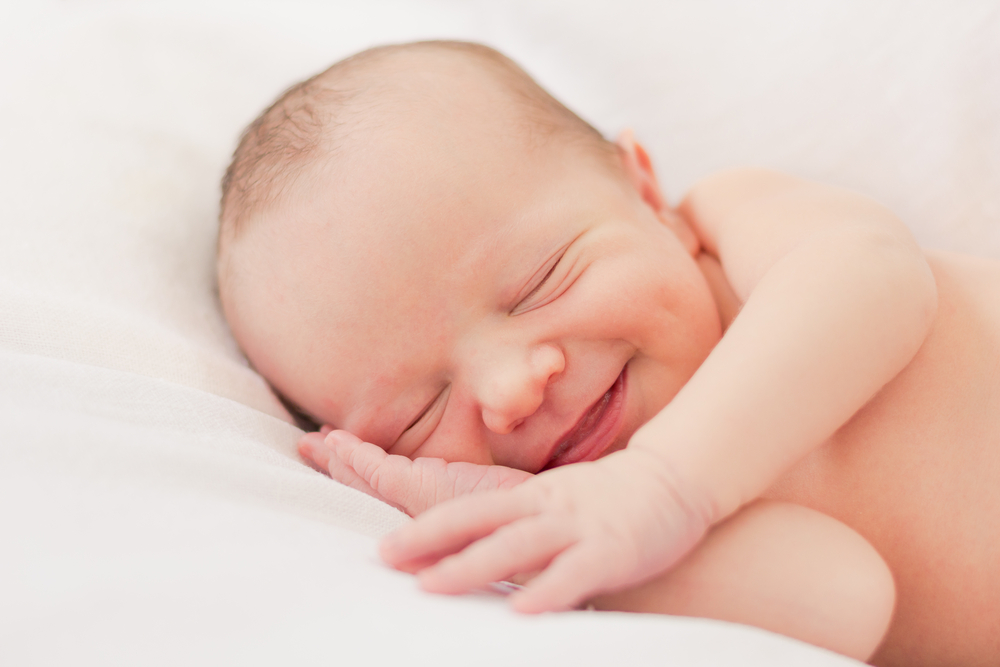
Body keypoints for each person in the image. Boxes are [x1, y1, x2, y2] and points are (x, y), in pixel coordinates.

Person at [216, 41, 1000, 666]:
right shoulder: (630, 527)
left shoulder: (733, 229)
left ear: (647, 193)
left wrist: (665, 481)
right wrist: (526, 539)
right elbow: (844, 596)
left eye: (539, 283)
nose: (510, 389)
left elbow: (876, 277)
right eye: (419, 413)